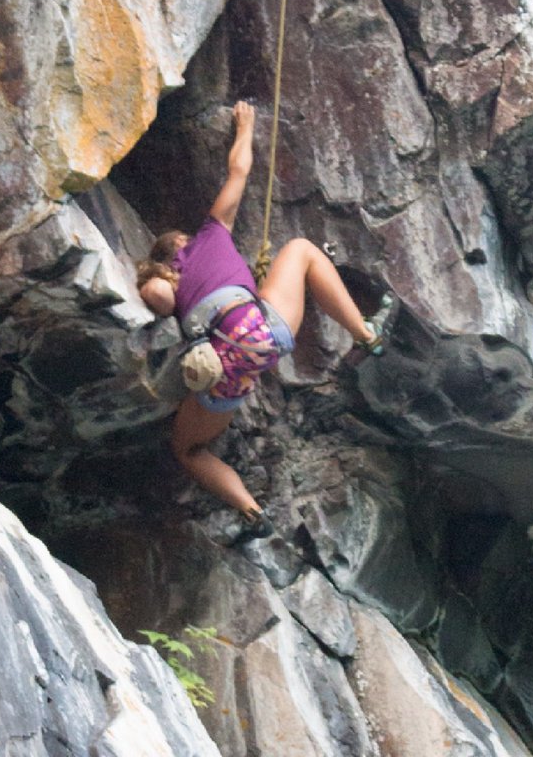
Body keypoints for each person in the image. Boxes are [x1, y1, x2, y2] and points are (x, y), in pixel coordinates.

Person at [137, 101, 395, 538]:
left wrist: (158, 284)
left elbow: (159, 298)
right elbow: (239, 171)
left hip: (227, 370)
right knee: (301, 251)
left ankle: (252, 510)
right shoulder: (211, 232)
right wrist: (246, 126)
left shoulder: (169, 283)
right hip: (263, 331)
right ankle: (366, 336)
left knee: (189, 448)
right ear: (182, 240)